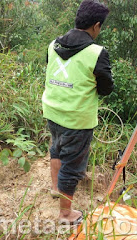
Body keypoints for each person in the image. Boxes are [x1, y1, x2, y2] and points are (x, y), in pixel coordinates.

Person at [42, 0, 114, 224]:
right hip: (77, 118)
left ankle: (56, 188)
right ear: (96, 25)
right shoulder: (96, 53)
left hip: (52, 111)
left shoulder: (53, 44)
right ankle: (65, 214)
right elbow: (106, 88)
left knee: (56, 149)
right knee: (72, 166)